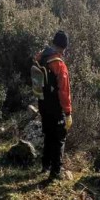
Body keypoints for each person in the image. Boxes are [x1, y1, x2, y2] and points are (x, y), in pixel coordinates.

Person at [35, 30, 73, 181]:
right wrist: (68, 113)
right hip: (55, 107)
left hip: (42, 104)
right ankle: (55, 173)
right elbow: (64, 91)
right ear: (64, 47)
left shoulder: (41, 57)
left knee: (48, 134)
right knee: (59, 138)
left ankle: (45, 165)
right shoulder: (59, 64)